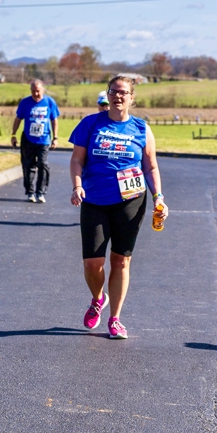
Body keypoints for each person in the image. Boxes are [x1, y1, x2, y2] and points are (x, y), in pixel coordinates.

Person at [69, 75, 167, 340]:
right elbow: (77, 160)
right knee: (92, 264)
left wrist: (158, 197)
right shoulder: (91, 124)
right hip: (94, 200)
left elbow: (150, 166)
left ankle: (115, 319)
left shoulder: (141, 128)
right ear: (108, 95)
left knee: (121, 261)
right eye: (113, 91)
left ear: (131, 97)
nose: (118, 96)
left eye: (123, 92)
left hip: (131, 200)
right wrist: (77, 186)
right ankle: (98, 298)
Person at [11, 79, 61, 202]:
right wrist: (13, 135)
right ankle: (30, 192)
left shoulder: (49, 102)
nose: (36, 94)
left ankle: (40, 192)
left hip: (44, 139)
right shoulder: (25, 102)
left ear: (43, 90)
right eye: (33, 91)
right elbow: (18, 119)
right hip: (28, 139)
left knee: (43, 164)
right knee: (28, 165)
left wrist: (55, 137)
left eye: (38, 91)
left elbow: (54, 120)